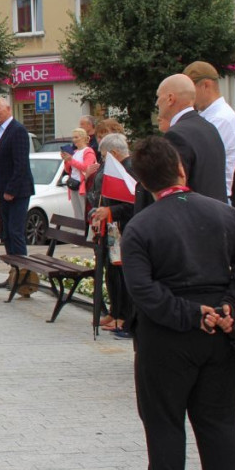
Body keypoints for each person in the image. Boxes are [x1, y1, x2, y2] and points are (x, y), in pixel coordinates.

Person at [120, 135, 235, 470]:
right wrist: (229, 308)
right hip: (222, 332)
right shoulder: (227, 215)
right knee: (219, 418)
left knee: (163, 417)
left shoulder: (141, 227)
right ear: (181, 169)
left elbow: (142, 290)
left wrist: (193, 314)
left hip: (167, 336)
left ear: (141, 183)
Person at [88, 133, 137, 337]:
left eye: (104, 156)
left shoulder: (130, 169)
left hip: (125, 228)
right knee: (112, 273)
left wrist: (109, 212)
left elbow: (132, 204)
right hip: (112, 228)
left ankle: (124, 315)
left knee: (122, 276)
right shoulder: (120, 167)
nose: (102, 161)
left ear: (115, 154)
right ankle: (115, 311)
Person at [155, 74, 226, 202]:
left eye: (159, 97)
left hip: (192, 216)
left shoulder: (175, 135)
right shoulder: (209, 128)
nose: (157, 103)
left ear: (170, 99)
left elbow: (174, 190)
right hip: (215, 212)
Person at [183, 61, 235, 202]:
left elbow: (201, 160)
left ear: (206, 85)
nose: (189, 97)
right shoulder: (211, 116)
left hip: (212, 197)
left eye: (191, 90)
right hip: (209, 196)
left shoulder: (221, 118)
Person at [0, 98, 34, 274]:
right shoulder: (0, 131)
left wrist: (11, 190)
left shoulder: (17, 130)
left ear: (8, 109)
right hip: (2, 193)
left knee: (16, 233)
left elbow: (21, 163)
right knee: (6, 234)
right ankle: (13, 273)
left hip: (16, 192)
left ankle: (23, 275)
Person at [61, 127, 96, 222]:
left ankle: (84, 234)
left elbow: (86, 167)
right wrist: (66, 160)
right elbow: (68, 170)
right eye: (73, 137)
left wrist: (71, 160)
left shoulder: (88, 151)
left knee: (84, 212)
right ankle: (79, 234)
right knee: (77, 213)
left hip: (83, 185)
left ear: (83, 138)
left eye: (76, 137)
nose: (74, 140)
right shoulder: (75, 152)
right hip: (73, 184)